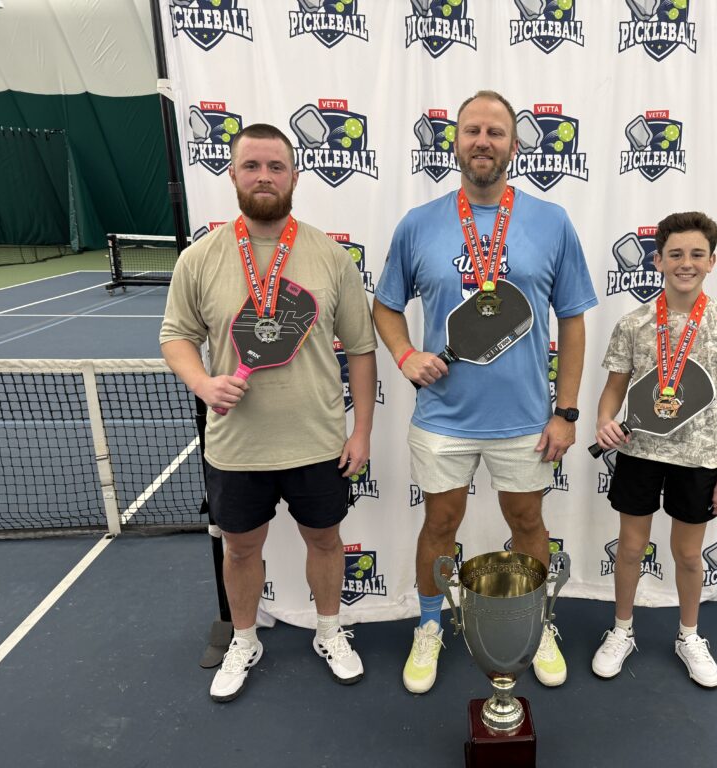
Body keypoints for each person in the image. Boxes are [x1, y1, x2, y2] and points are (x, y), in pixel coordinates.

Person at [373, 90, 597, 694]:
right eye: (472, 130)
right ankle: (428, 625)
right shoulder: (419, 224)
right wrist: (404, 354)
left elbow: (573, 319)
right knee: (439, 524)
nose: (482, 141)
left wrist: (567, 410)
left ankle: (536, 618)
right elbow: (385, 307)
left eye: (495, 132)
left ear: (514, 146)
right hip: (442, 418)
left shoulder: (551, 222)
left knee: (527, 522)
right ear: (455, 141)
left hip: (526, 418)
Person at [160, 123, 378, 702]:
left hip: (317, 442)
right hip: (237, 447)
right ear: (232, 174)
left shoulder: (330, 256)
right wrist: (203, 382)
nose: (264, 177)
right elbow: (175, 336)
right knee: (239, 549)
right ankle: (245, 638)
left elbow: (360, 347)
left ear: (293, 177)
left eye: (275, 167)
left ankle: (330, 630)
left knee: (327, 543)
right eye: (252, 166)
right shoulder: (200, 257)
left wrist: (361, 430)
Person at [591, 211, 717, 688]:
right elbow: (613, 388)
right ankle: (622, 630)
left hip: (699, 461)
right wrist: (604, 420)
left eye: (696, 254)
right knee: (630, 547)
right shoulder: (634, 324)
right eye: (676, 254)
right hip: (639, 454)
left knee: (687, 555)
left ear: (712, 262)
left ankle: (689, 635)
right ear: (658, 261)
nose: (686, 263)